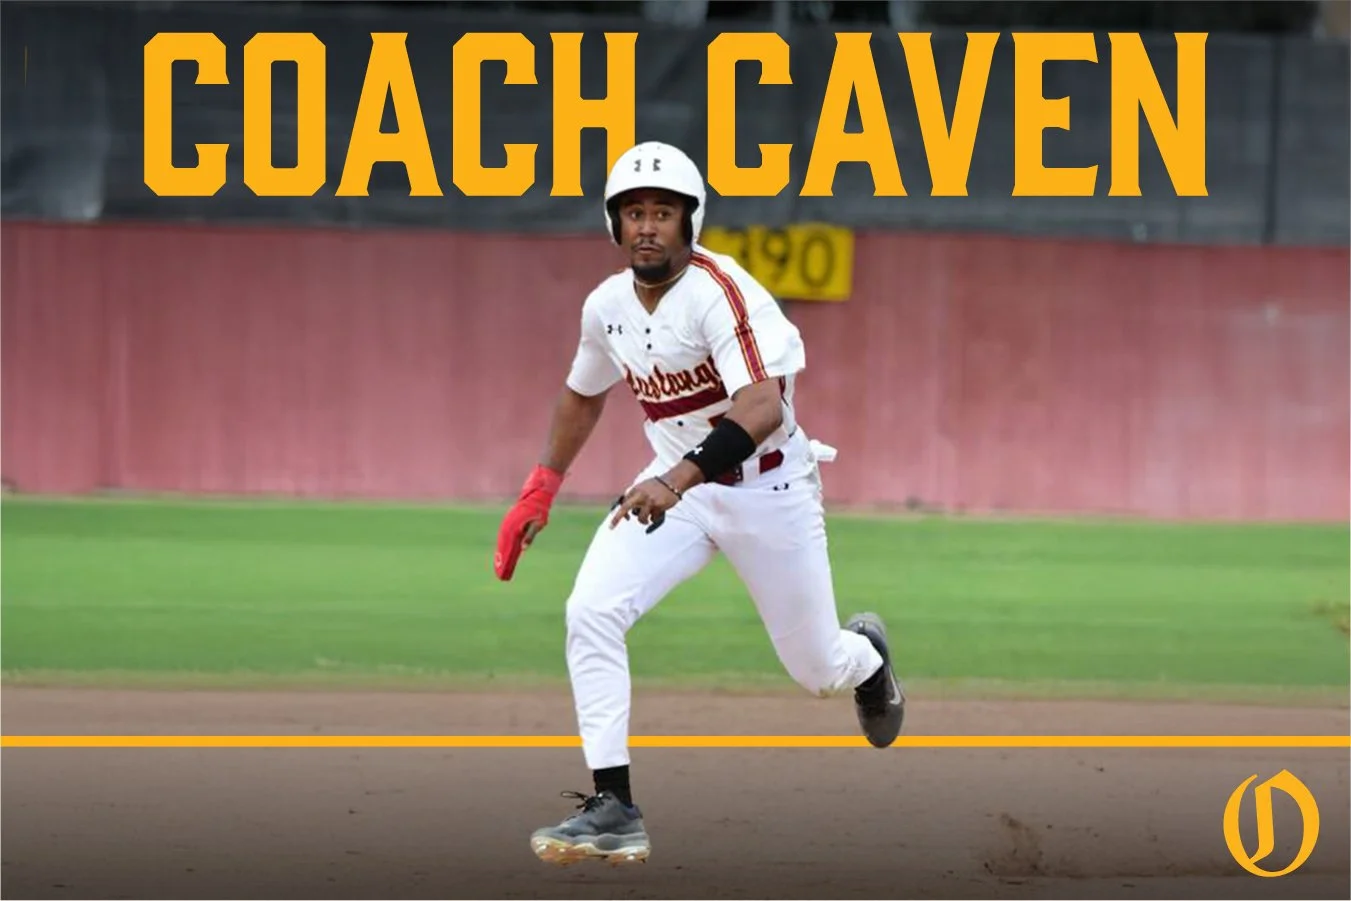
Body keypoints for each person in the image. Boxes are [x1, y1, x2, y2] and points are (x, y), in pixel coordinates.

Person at [493, 141, 906, 867]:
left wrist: (676, 477)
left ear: (690, 222)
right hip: (675, 490)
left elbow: (763, 407)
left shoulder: (724, 292)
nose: (647, 226)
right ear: (613, 225)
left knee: (816, 667)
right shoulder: (607, 306)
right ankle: (613, 804)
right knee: (590, 610)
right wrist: (540, 488)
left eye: (662, 212)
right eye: (633, 213)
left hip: (767, 489)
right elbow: (583, 392)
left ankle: (866, 658)